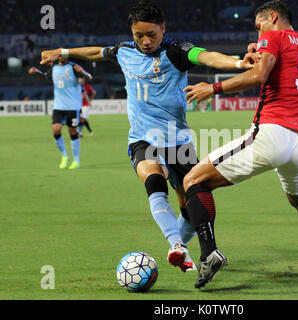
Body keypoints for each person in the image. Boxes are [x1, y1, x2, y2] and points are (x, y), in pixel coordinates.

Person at [40, 1, 255, 272]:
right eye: (138, 35)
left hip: (178, 140)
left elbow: (208, 56)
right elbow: (96, 51)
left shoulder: (177, 51)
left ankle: (182, 247)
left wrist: (237, 62)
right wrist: (62, 51)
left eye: (151, 34)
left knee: (189, 204)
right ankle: (176, 245)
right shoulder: (124, 51)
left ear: (163, 28)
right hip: (143, 138)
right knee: (154, 180)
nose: (144, 41)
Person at [183, 0, 298, 288]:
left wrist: (212, 88)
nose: (258, 31)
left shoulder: (272, 36)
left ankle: (208, 253)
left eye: (259, 25)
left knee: (194, 180)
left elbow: (259, 76)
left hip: (272, 134)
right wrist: (259, 53)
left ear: (272, 17)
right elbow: (279, 70)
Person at [28, 57, 92, 169]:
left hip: (73, 106)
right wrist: (36, 72)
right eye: (61, 55)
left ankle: (76, 160)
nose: (63, 57)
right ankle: (64, 155)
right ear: (58, 57)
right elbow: (45, 77)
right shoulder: (54, 68)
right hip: (59, 106)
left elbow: (88, 78)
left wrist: (82, 73)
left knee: (73, 132)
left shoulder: (73, 67)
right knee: (56, 130)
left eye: (65, 54)